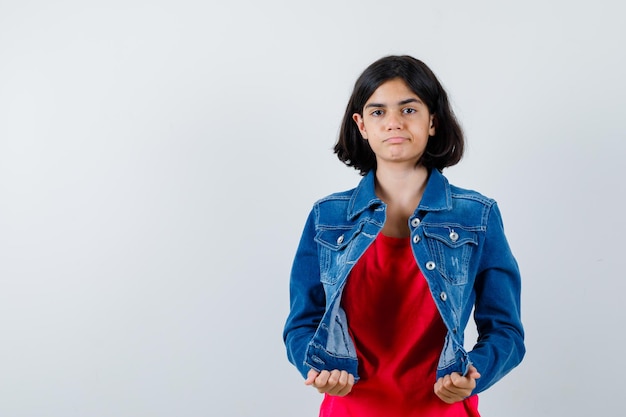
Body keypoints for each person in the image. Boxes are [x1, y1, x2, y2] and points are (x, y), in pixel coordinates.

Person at [283, 55, 525, 416]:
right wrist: (317, 368)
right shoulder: (326, 217)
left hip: (442, 409)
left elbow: (506, 330)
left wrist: (475, 373)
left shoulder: (477, 215)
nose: (393, 122)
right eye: (378, 112)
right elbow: (302, 322)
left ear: (432, 121)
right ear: (361, 125)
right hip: (350, 409)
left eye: (409, 110)